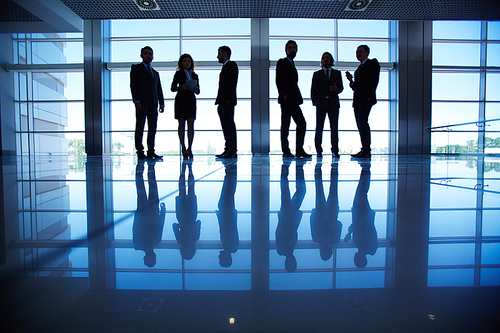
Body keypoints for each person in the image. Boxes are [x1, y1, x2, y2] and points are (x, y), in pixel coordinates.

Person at [276, 40, 312, 159]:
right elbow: (279, 80)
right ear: (286, 50)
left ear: (297, 50)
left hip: (294, 100)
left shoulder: (292, 64)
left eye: (294, 48)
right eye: (290, 48)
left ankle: (299, 150)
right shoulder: (282, 62)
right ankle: (286, 150)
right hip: (287, 99)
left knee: (301, 123)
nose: (292, 50)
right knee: (286, 125)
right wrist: (284, 94)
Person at [345, 45, 380, 158]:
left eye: (360, 52)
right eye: (356, 52)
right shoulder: (358, 69)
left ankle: (366, 149)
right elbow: (356, 87)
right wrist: (351, 81)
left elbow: (375, 80)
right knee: (360, 124)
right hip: (358, 101)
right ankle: (364, 148)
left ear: (367, 52)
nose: (358, 54)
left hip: (365, 99)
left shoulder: (372, 63)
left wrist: (369, 95)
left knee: (363, 122)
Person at [130, 46, 165, 159]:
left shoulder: (155, 73)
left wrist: (161, 103)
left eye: (150, 54)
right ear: (141, 55)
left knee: (152, 128)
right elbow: (133, 85)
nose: (148, 56)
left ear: (153, 57)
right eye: (146, 53)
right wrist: (136, 100)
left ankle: (151, 151)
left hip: (153, 103)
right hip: (142, 103)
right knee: (140, 126)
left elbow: (159, 89)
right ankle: (140, 151)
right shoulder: (136, 68)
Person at [310, 52, 344, 158]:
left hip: (333, 104)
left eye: (327, 57)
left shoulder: (337, 73)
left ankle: (335, 150)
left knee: (334, 128)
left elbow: (341, 87)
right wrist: (315, 102)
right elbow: (313, 89)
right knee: (319, 127)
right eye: (323, 58)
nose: (325, 59)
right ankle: (318, 150)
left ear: (331, 59)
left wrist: (336, 89)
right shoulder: (317, 74)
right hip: (321, 103)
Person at [133, 160, 166, 267]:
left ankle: (144, 166)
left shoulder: (155, 241)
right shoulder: (141, 244)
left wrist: (163, 212)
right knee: (145, 187)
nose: (153, 256)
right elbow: (160, 225)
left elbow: (135, 229)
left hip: (147, 212)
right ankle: (144, 167)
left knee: (147, 187)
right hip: (148, 212)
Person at [171, 54, 200, 159]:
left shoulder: (195, 75)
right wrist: (181, 87)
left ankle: (190, 148)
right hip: (181, 100)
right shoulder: (178, 74)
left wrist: (196, 89)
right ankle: (183, 147)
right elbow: (173, 88)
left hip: (191, 100)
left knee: (191, 125)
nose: (187, 62)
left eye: (188, 61)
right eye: (185, 61)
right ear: (181, 62)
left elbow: (199, 91)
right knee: (181, 124)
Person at [215, 46, 239, 159]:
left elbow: (232, 82)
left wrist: (228, 98)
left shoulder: (231, 65)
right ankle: (228, 149)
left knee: (229, 125)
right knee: (225, 125)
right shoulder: (226, 67)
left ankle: (232, 150)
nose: (217, 56)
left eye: (219, 53)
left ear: (224, 54)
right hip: (223, 101)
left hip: (227, 101)